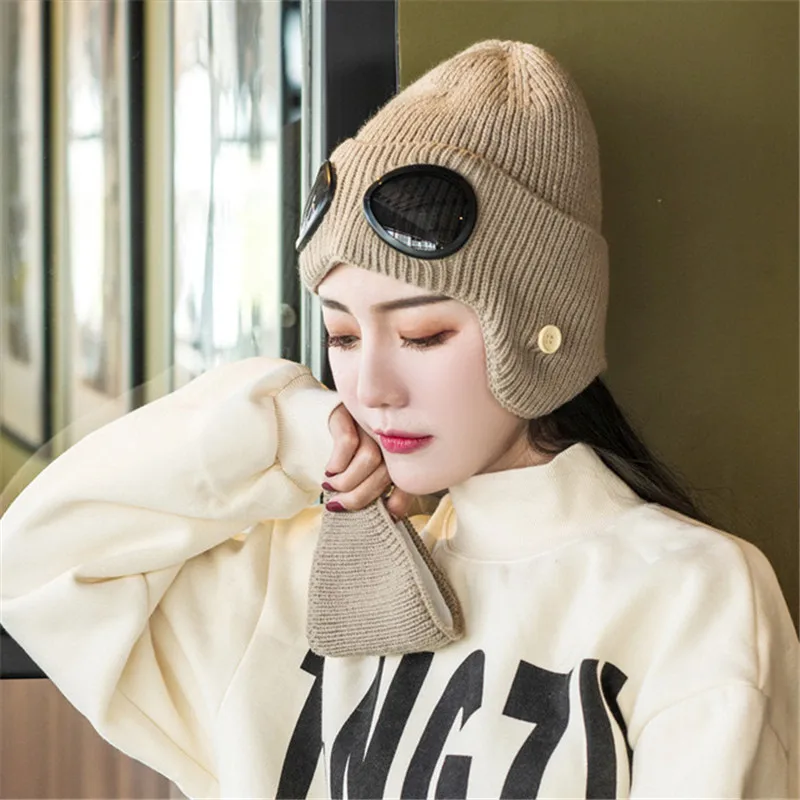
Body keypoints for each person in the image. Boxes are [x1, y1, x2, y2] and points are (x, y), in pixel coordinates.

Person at [1, 38, 797, 800]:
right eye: (342, 335)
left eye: (422, 334)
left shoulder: (690, 595)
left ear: (542, 330)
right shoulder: (298, 574)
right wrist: (291, 432)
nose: (371, 387)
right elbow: (34, 565)